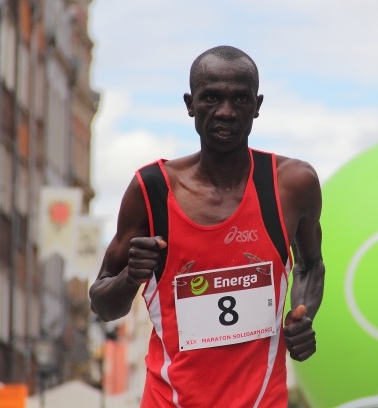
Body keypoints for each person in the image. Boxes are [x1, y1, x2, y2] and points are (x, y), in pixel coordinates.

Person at [89, 45, 325, 408]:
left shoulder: (292, 185)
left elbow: (310, 264)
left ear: (258, 106)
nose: (226, 112)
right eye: (211, 97)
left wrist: (302, 316)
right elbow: (104, 306)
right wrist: (130, 277)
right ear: (190, 104)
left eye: (241, 99)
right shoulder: (151, 190)